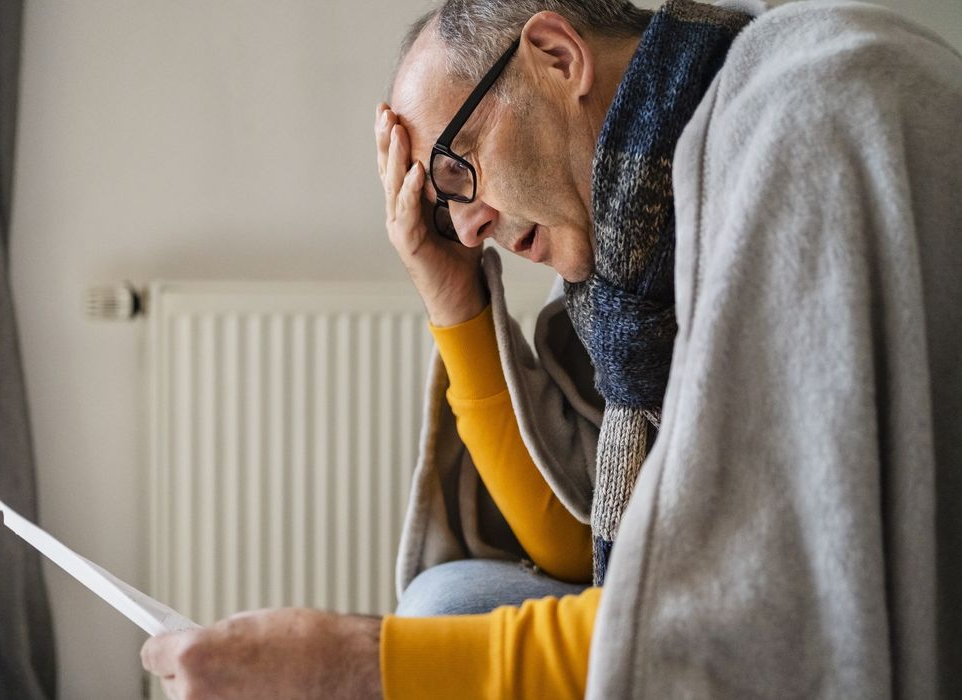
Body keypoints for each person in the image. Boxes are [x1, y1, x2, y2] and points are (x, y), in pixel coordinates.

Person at [141, 0, 962, 697]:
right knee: (454, 594)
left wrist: (357, 665)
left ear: (555, 55)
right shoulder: (632, 269)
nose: (465, 228)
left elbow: (769, 606)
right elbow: (583, 545)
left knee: (437, 617)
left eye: (455, 173)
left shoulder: (805, 120)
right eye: (437, 207)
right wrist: (450, 293)